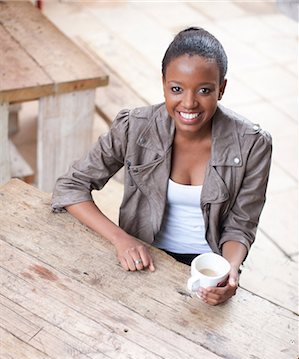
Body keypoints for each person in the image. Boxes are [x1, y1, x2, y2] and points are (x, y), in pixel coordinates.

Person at [52, 27, 272, 306]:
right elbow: (72, 186)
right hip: (143, 256)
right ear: (164, 84)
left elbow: (241, 224)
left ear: (222, 89)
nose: (189, 103)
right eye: (177, 89)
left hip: (207, 266)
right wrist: (121, 240)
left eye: (204, 90)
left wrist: (229, 272)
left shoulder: (252, 144)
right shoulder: (135, 127)